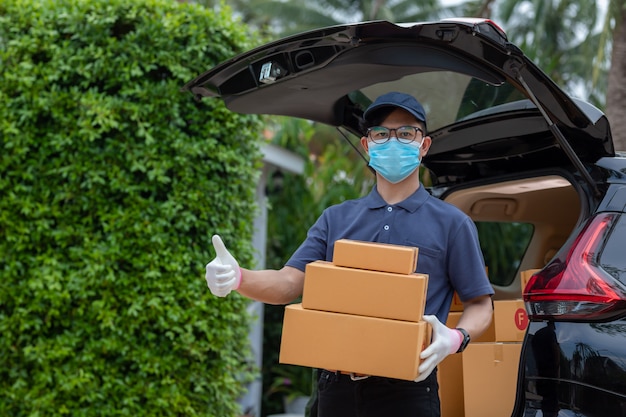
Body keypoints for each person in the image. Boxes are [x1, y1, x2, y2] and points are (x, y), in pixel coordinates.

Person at [205, 92, 494, 417]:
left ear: (423, 145)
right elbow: (288, 283)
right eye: (381, 134)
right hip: (336, 391)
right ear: (368, 146)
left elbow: (481, 304)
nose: (393, 141)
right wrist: (239, 277)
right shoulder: (335, 219)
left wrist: (455, 338)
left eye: (406, 133)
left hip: (408, 391)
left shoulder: (453, 224)